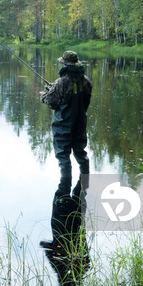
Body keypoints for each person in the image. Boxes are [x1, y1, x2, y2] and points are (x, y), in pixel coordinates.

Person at [40, 50, 92, 190]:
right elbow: (85, 102)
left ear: (65, 65)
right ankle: (84, 184)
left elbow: (52, 102)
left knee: (63, 157)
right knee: (81, 153)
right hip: (80, 124)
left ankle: (64, 191)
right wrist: (54, 89)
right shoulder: (86, 81)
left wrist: (45, 95)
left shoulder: (61, 82)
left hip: (62, 126)